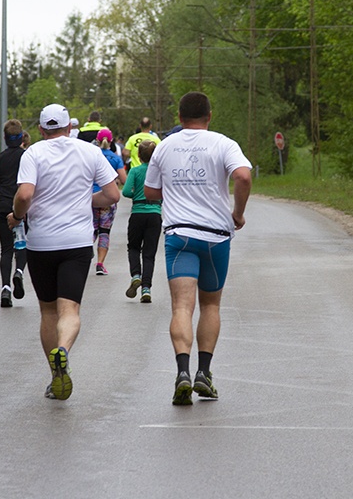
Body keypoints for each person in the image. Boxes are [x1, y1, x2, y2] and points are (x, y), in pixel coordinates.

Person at [144, 91, 252, 406]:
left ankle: (182, 373)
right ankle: (204, 373)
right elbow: (243, 176)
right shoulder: (224, 143)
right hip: (216, 236)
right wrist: (238, 213)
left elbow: (151, 191)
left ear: (179, 117)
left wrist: (175, 194)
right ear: (209, 115)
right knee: (211, 307)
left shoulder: (164, 146)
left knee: (181, 308)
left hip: (180, 236)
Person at [12, 104, 121, 401]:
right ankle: (65, 349)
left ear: (40, 129)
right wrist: (88, 201)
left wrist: (17, 216)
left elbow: (24, 195)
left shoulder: (33, 153)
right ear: (69, 128)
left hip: (41, 244)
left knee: (48, 310)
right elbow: (113, 195)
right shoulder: (89, 152)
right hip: (76, 243)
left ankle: (54, 374)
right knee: (69, 310)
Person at [0, 120, 27, 308]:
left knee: (6, 249)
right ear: (21, 137)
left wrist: (1, 182)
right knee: (23, 244)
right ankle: (19, 271)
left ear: (4, 138)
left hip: (3, 205)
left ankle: (5, 289)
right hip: (23, 207)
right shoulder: (28, 157)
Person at [122, 140, 161, 303]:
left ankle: (135, 275)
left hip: (137, 213)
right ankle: (146, 288)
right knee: (149, 253)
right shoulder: (159, 173)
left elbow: (125, 191)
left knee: (133, 247)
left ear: (138, 155)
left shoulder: (135, 171)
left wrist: (137, 196)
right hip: (154, 214)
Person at [92, 128, 127, 276]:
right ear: (111, 141)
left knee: (91, 230)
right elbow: (124, 180)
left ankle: (85, 252)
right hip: (108, 199)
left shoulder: (92, 156)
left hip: (91, 198)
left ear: (97, 141)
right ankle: (100, 264)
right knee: (104, 232)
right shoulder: (115, 158)